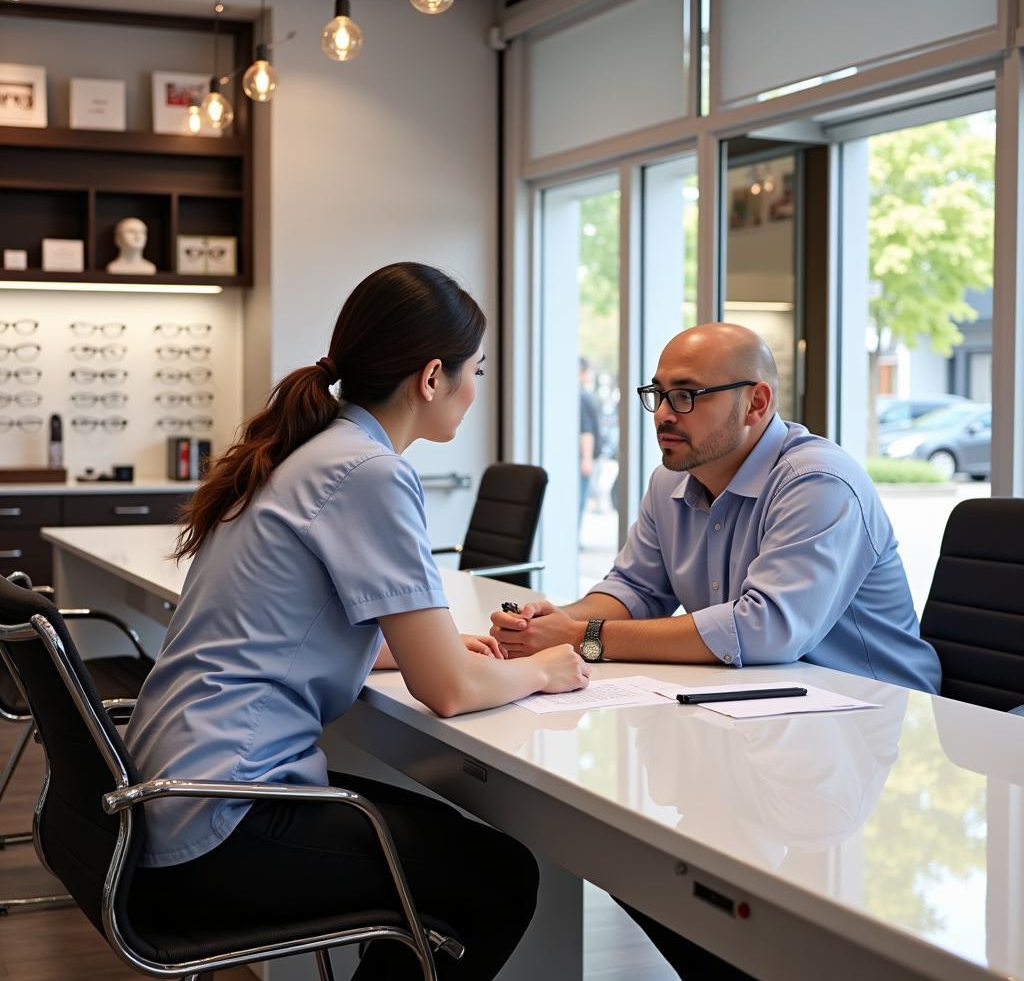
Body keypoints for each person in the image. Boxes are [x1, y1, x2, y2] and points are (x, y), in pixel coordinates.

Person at [124, 262, 589, 980]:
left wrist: (426, 653)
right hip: (221, 821)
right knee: (496, 878)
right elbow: (451, 692)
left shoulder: (309, 448)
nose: (475, 389)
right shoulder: (369, 470)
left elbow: (285, 634)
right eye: (477, 370)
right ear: (432, 378)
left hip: (174, 796)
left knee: (446, 861)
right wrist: (543, 668)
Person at [491, 321, 940, 697]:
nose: (664, 414)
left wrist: (582, 638)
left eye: (686, 395)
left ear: (756, 403)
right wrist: (547, 625)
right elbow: (636, 590)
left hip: (877, 708)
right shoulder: (672, 477)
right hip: (762, 702)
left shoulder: (817, 482)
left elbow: (765, 629)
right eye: (659, 394)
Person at [579, 357, 602, 532]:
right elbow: (586, 431)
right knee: (579, 500)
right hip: (582, 460)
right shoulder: (581, 396)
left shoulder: (582, 396)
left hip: (584, 459)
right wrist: (586, 459)